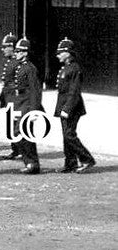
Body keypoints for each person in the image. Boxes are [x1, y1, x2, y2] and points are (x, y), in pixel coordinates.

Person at [54, 38, 95, 174]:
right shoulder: (66, 67)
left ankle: (87, 159)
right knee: (66, 136)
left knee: (69, 135)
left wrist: (67, 109)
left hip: (72, 108)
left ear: (68, 53)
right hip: (64, 107)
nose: (58, 55)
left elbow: (74, 92)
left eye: (60, 53)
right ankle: (70, 163)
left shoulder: (74, 68)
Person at [12, 38, 42, 174]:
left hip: (27, 105)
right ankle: (29, 162)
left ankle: (32, 163)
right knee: (19, 133)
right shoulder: (21, 67)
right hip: (21, 104)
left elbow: (35, 90)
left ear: (25, 53)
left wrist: (34, 111)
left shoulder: (30, 68)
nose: (16, 53)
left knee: (24, 133)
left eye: (18, 51)